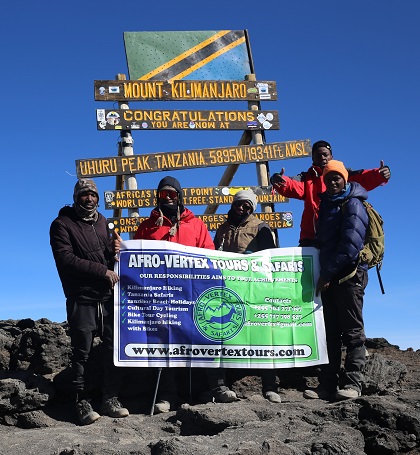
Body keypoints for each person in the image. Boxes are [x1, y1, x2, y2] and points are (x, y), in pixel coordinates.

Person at [132, 175, 215, 413]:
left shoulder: (196, 224)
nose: (168, 198)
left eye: (172, 194)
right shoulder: (147, 227)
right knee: (164, 345)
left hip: (190, 294)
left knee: (196, 340)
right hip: (160, 296)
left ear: (180, 196)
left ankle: (199, 392)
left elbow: (208, 255)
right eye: (163, 194)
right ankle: (167, 396)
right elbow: (136, 257)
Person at [50, 179, 129, 425]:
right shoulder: (61, 224)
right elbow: (65, 259)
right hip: (81, 297)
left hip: (106, 297)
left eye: (93, 194)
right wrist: (101, 271)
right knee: (81, 352)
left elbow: (108, 254)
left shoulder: (103, 222)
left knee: (111, 349)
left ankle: (110, 398)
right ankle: (81, 403)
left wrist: (117, 249)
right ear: (76, 197)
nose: (89, 199)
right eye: (84, 194)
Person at [303, 160, 369, 401]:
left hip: (349, 276)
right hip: (329, 277)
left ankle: (353, 384)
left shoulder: (352, 204)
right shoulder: (326, 204)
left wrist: (327, 274)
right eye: (329, 177)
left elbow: (350, 246)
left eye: (336, 177)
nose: (332, 181)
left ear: (345, 179)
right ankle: (327, 385)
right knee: (329, 331)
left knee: (352, 332)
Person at [211, 189, 281, 403]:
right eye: (239, 203)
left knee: (263, 335)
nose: (242, 208)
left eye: (247, 205)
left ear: (253, 207)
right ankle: (220, 386)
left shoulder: (261, 227)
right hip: (226, 288)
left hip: (254, 288)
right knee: (221, 333)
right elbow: (212, 253)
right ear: (233, 204)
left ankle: (270, 387)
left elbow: (271, 256)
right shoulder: (222, 228)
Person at [270, 140, 390, 246]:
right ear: (313, 158)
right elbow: (291, 184)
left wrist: (379, 175)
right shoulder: (306, 178)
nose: (322, 157)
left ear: (331, 156)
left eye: (325, 154)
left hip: (337, 235)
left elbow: (363, 178)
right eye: (318, 155)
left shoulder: (343, 174)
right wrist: (278, 180)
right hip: (310, 238)